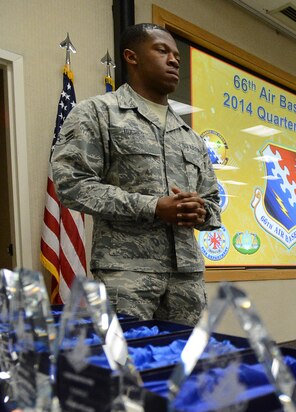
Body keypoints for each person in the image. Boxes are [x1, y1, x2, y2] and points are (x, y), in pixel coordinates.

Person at [51, 23, 221, 326]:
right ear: (132, 57)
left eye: (177, 56)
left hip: (187, 277)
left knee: (183, 365)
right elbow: (71, 185)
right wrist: (153, 206)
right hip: (126, 274)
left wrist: (201, 210)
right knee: (124, 366)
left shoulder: (191, 137)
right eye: (162, 50)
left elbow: (213, 202)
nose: (173, 60)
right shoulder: (98, 113)